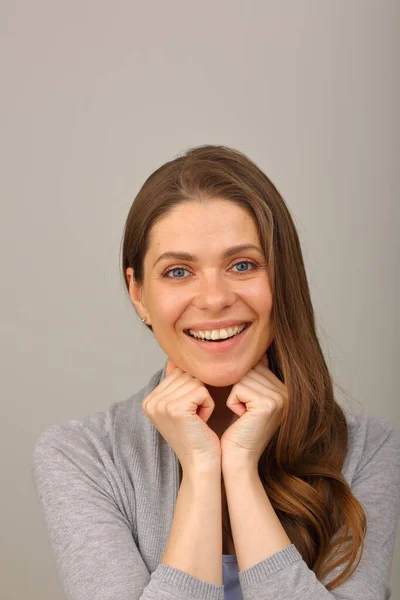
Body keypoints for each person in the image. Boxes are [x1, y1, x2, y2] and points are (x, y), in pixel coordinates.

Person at [31, 144, 400, 600]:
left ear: (282, 278)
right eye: (179, 271)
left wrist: (241, 470)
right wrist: (203, 470)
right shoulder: (81, 456)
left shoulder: (368, 452)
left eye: (242, 265)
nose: (213, 298)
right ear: (139, 293)